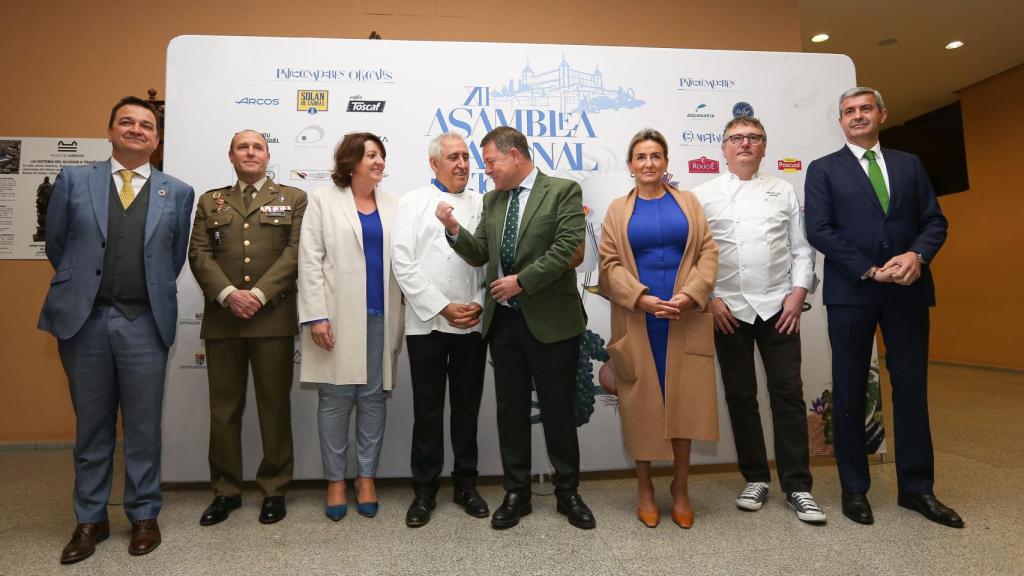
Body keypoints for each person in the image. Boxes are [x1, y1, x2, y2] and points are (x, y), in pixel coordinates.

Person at [38, 96, 194, 563]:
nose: (136, 129)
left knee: (144, 428)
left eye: (146, 125)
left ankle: (144, 515)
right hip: (84, 323)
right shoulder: (75, 181)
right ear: (109, 132)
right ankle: (90, 520)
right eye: (126, 122)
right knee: (93, 427)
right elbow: (57, 244)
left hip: (145, 323)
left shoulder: (178, 192)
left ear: (157, 140)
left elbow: (172, 257)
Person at [805, 87, 961, 528]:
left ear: (882, 114)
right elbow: (819, 230)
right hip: (853, 293)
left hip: (909, 291)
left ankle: (918, 489)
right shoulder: (823, 170)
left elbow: (935, 221)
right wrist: (871, 270)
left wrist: (918, 256)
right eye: (849, 111)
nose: (857, 116)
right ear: (840, 121)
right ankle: (855, 489)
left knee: (911, 391)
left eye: (865, 109)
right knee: (850, 391)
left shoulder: (909, 165)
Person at [435, 126, 593, 530]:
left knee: (558, 409)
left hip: (553, 322)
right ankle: (516, 493)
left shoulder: (562, 191)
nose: (484, 170)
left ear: (516, 156)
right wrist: (454, 230)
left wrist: (521, 280)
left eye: (490, 161)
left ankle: (568, 492)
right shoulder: (492, 201)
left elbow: (566, 248)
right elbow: (480, 254)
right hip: (504, 324)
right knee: (511, 412)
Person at [693, 117, 825, 524]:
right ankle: (754, 477)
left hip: (777, 309)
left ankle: (798, 486)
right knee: (740, 394)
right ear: (724, 148)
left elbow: (802, 249)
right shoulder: (702, 195)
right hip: (727, 310)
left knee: (787, 392)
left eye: (753, 138)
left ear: (765, 147)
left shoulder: (783, 189)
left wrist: (798, 294)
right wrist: (710, 299)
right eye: (737, 138)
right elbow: (695, 255)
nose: (745, 144)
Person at [598, 128, 719, 529]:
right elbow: (609, 265)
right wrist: (642, 298)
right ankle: (645, 488)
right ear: (631, 165)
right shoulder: (618, 210)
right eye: (641, 157)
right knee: (641, 408)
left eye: (656, 156)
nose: (649, 163)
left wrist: (691, 294)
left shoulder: (688, 202)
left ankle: (680, 489)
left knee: (685, 404)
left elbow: (707, 252)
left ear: (666, 162)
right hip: (639, 320)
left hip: (684, 319)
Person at [188, 130, 307, 526]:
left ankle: (274, 488)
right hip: (223, 319)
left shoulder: (293, 198)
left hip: (271, 318)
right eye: (243, 146)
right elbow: (199, 253)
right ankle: (226, 491)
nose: (250, 152)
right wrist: (227, 294)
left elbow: (296, 252)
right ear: (231, 155)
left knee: (274, 408)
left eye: (257, 147)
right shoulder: (210, 201)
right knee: (224, 410)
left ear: (268, 155)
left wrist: (257, 293)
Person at [297, 132, 404, 521]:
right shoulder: (323, 200)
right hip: (335, 318)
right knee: (336, 399)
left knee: (373, 398)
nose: (378, 161)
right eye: (370, 155)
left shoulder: (393, 205)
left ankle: (366, 477)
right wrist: (315, 315)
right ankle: (335, 480)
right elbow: (309, 260)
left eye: (381, 155)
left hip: (380, 315)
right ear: (351, 161)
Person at [392, 133, 489, 527]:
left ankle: (466, 485)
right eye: (453, 157)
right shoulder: (412, 203)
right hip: (427, 323)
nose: (463, 164)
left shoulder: (484, 203)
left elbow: (490, 263)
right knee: (428, 412)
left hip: (471, 323)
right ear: (434, 164)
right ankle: (424, 490)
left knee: (467, 410)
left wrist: (478, 305)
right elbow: (403, 263)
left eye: (466, 157)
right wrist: (442, 307)